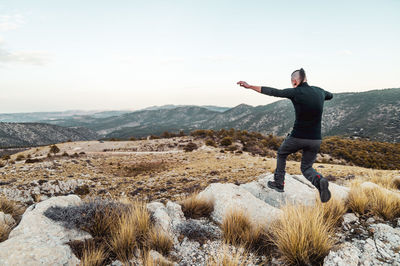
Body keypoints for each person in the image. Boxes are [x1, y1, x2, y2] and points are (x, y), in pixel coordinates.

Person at [237, 68, 333, 203]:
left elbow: (273, 92)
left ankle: (279, 183)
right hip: (315, 140)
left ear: (294, 81)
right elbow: (331, 95)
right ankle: (319, 180)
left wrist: (250, 86)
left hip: (297, 137)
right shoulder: (320, 91)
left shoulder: (295, 91)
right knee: (306, 168)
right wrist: (319, 95)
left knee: (282, 154)